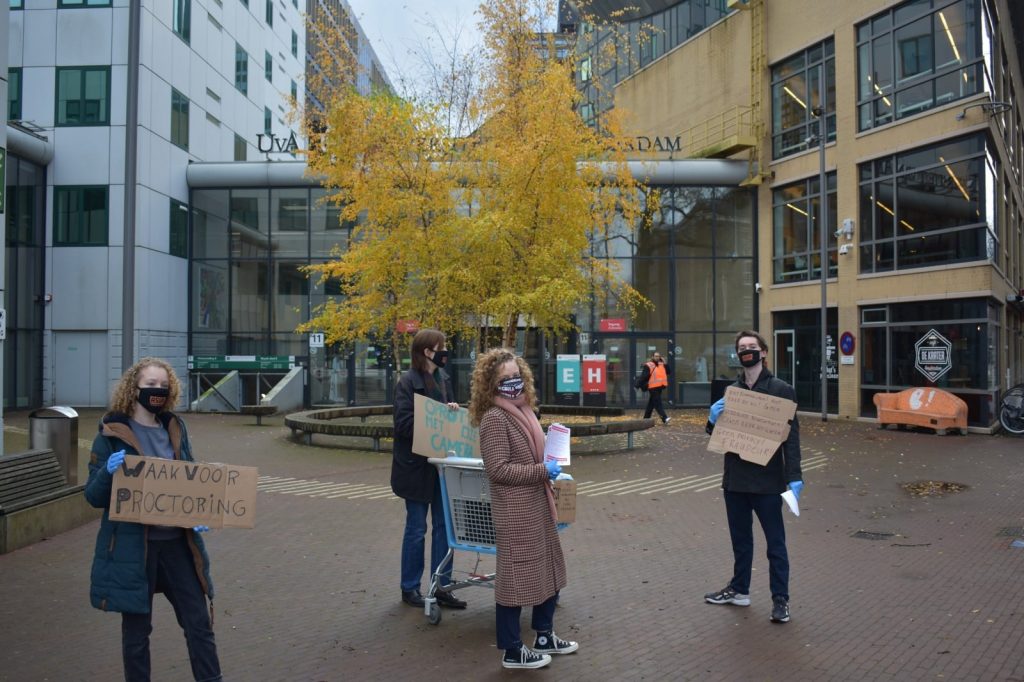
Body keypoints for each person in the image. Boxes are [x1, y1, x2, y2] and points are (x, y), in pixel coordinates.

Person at [84, 357, 222, 682]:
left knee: (198, 624)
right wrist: (107, 472)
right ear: (134, 388)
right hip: (134, 548)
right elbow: (93, 496)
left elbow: (189, 480)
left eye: (163, 386)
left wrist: (199, 512)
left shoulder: (173, 427)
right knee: (137, 633)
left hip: (177, 545)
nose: (157, 392)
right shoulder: (112, 433)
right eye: (150, 385)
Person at [469, 348, 579, 670]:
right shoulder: (494, 418)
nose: (512, 384)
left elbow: (531, 458)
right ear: (491, 384)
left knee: (548, 570)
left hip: (538, 507)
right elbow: (499, 470)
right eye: (504, 379)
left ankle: (544, 635)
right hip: (516, 513)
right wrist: (543, 471)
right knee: (515, 581)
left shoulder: (525, 411)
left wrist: (552, 451)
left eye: (516, 377)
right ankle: (512, 649)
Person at [703, 331, 803, 624]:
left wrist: (794, 476)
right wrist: (711, 420)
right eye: (742, 348)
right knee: (741, 540)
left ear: (764, 352)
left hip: (768, 482)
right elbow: (718, 434)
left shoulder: (781, 390)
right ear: (737, 355)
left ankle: (780, 599)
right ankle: (739, 589)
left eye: (752, 347)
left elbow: (792, 438)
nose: (747, 351)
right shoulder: (730, 391)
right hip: (735, 481)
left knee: (776, 544)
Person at [391, 328, 467, 610]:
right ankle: (410, 588)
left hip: (440, 468)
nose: (445, 351)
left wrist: (451, 412)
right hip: (416, 469)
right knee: (417, 528)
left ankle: (441, 586)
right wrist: (432, 417)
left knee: (445, 528)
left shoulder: (443, 379)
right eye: (441, 347)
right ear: (427, 351)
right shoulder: (407, 383)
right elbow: (403, 425)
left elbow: (446, 420)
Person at [638, 351, 672, 424]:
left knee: (651, 403)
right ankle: (664, 418)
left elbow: (669, 372)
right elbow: (643, 376)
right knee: (658, 403)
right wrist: (637, 385)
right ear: (652, 357)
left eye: (658, 356)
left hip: (659, 387)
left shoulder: (662, 364)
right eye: (656, 356)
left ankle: (645, 419)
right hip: (652, 387)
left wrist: (665, 363)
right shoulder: (649, 365)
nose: (657, 357)